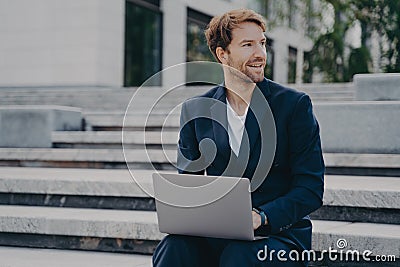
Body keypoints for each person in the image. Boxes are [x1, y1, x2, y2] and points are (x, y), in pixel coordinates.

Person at [152, 8, 324, 267]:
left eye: (262, 44)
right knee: (173, 248)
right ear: (223, 54)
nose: (260, 54)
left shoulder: (294, 105)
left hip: (279, 235)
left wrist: (261, 217)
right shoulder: (195, 109)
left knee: (240, 256)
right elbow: (189, 184)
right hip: (220, 233)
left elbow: (311, 188)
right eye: (248, 45)